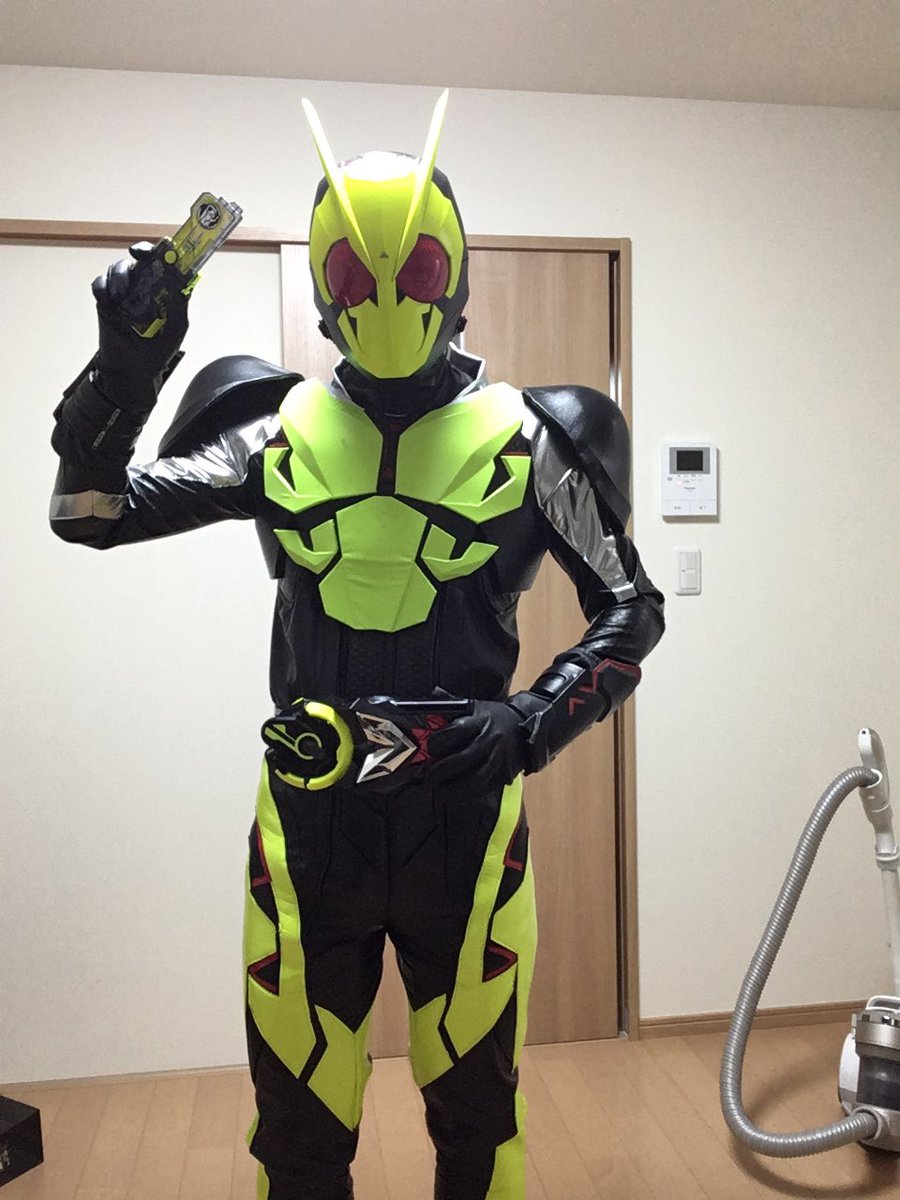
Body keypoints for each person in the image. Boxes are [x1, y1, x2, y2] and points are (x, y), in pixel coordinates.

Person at [49, 92, 664, 1200]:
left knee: (478, 1122)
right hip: (309, 824)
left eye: (416, 270)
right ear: (326, 287)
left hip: (466, 819)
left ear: (456, 275)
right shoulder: (270, 429)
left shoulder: (533, 441)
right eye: (354, 273)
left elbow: (632, 607)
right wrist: (125, 371)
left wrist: (531, 723)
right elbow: (87, 512)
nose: (387, 298)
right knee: (296, 1128)